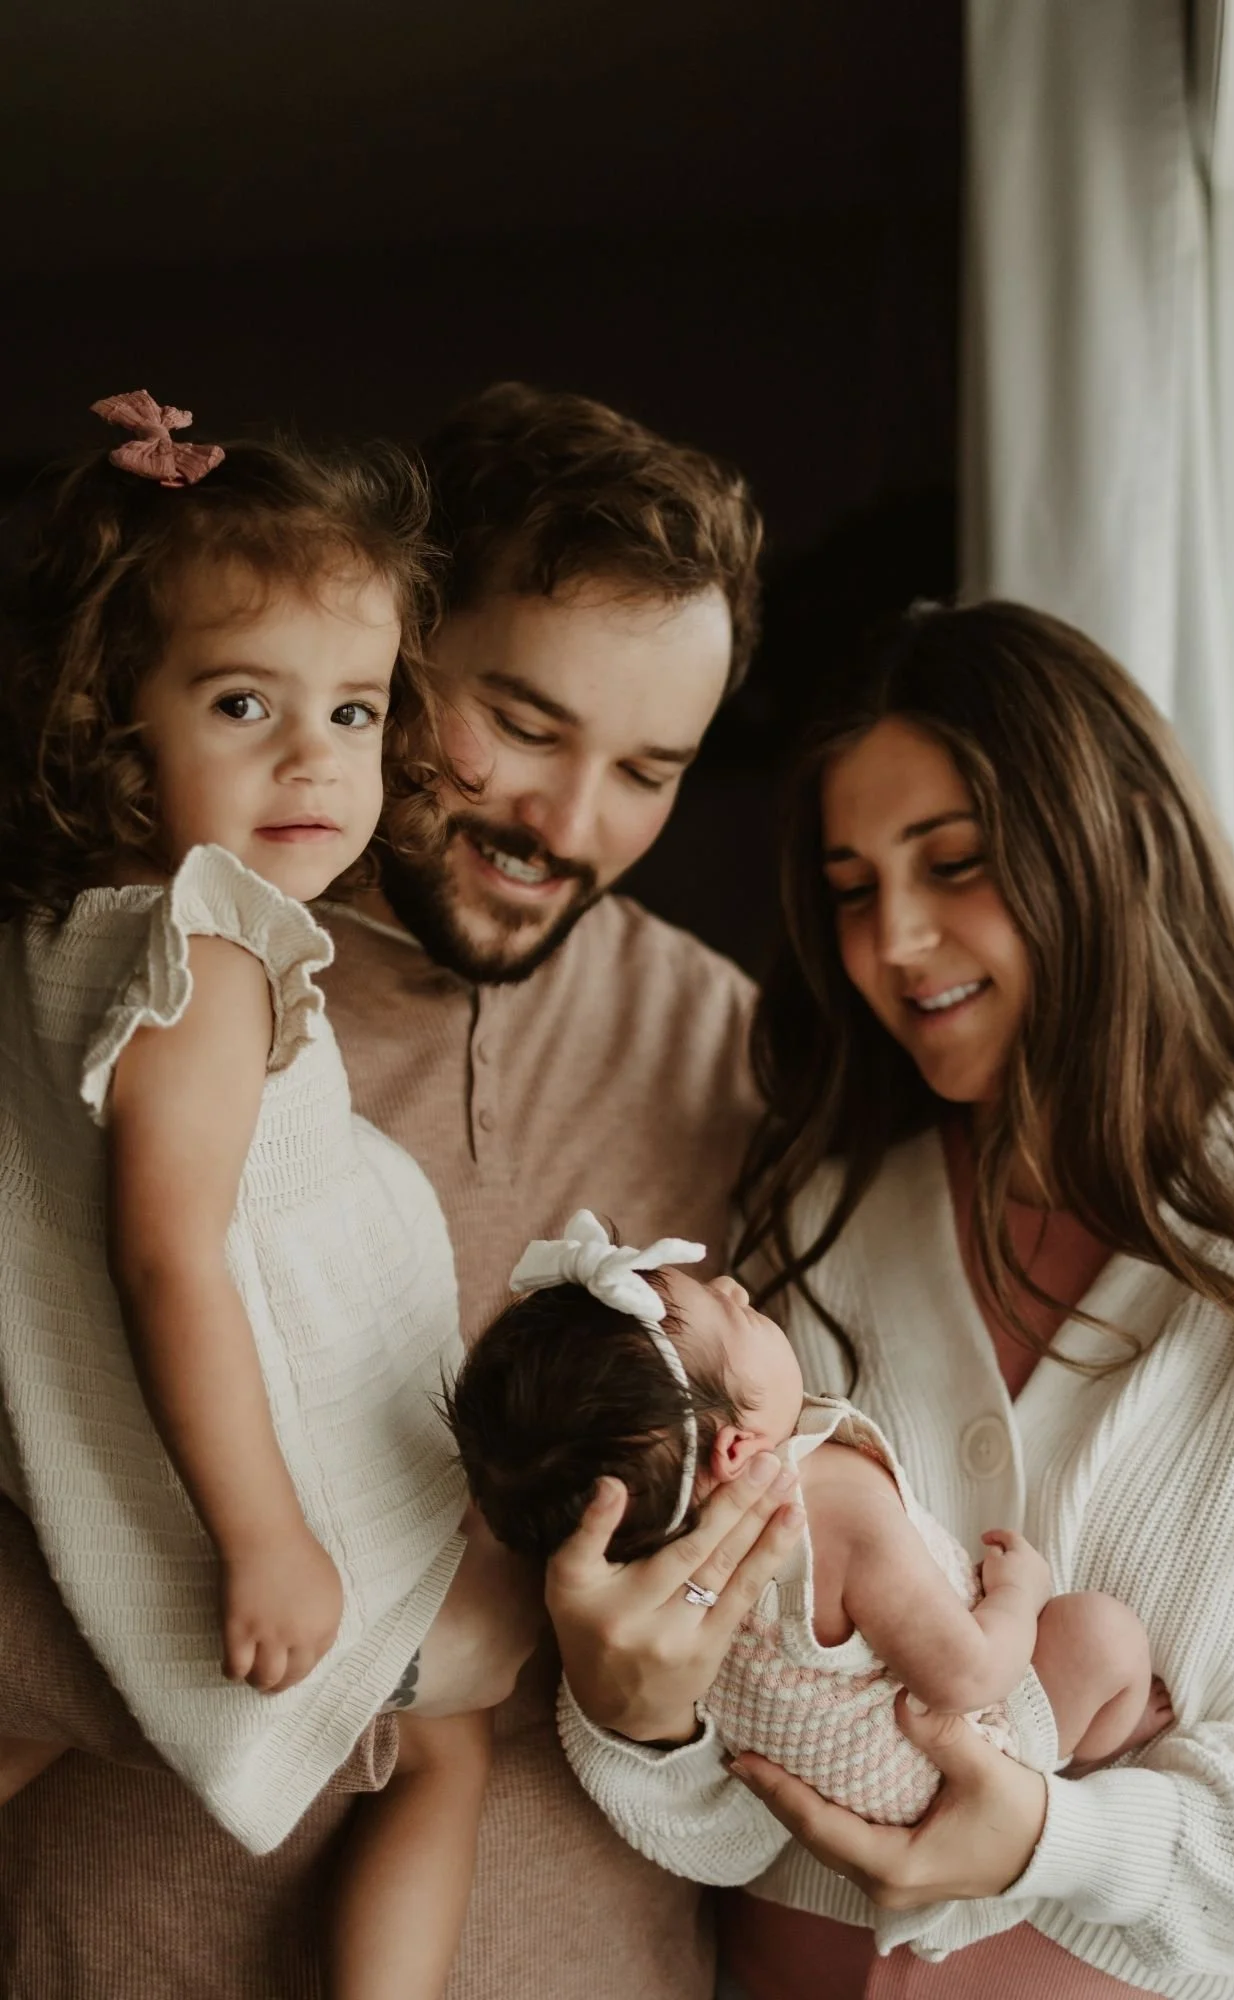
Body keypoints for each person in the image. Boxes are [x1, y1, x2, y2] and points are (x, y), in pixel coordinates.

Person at [0, 384, 797, 2000]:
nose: (569, 825)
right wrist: (382, 1663)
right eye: (520, 720)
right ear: (393, 634)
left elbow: (773, 1664)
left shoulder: (731, 1057)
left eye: (648, 768)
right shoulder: (110, 989)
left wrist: (652, 1706)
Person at [550, 600, 1234, 1998]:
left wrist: (1072, 1841)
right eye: (848, 888)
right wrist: (639, 1726)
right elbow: (731, 1783)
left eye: (955, 865)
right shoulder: (810, 1227)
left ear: (1118, 843)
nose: (892, 941)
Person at [0, 393, 538, 1999]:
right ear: (115, 718)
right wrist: (267, 1537)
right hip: (253, 1471)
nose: (317, 756)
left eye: (359, 712)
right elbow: (170, 1257)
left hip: (128, 1454)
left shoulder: (66, 931)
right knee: (448, 1747)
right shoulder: (208, 941)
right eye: (245, 702)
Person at [451, 1207, 1160, 1849]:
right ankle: (1101, 1752)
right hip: (963, 1761)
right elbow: (969, 1674)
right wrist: (1020, 1594)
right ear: (737, 1449)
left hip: (848, 1814)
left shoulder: (663, 1583)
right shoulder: (831, 1508)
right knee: (1102, 1635)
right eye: (740, 1319)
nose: (734, 1286)